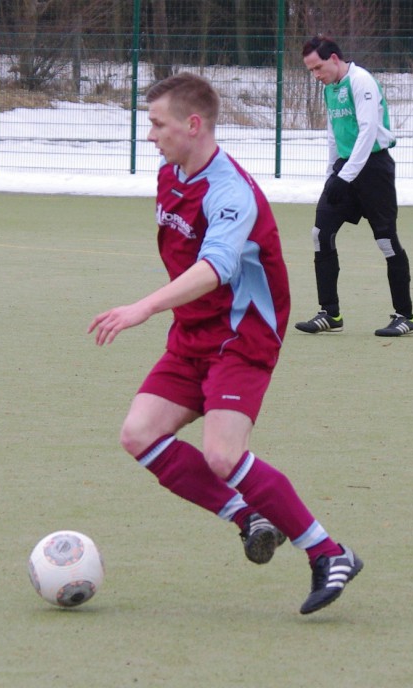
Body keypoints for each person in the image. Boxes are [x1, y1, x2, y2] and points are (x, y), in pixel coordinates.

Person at [88, 72, 362, 614]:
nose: (151, 135)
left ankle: (329, 553)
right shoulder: (172, 173)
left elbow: (216, 267)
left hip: (242, 336)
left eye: (158, 124)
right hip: (192, 334)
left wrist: (143, 306)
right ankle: (248, 516)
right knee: (139, 434)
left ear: (193, 125)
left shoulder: (230, 191)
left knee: (221, 454)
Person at [294, 35, 413, 337]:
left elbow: (368, 131)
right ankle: (330, 313)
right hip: (345, 169)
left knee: (386, 241)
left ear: (334, 58)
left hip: (374, 169)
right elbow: (334, 136)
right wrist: (331, 176)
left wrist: (345, 176)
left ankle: (405, 315)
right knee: (320, 234)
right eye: (310, 71)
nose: (316, 75)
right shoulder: (330, 89)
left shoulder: (362, 82)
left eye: (318, 68)